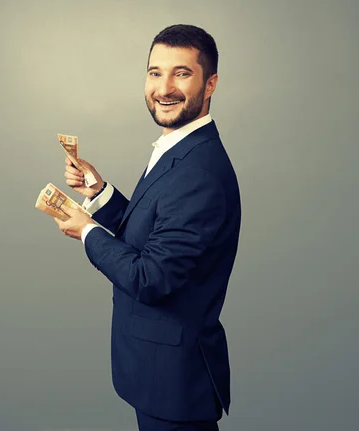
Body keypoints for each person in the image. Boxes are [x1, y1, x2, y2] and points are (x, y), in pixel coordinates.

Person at [53, 24, 241, 431]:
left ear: (211, 84)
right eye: (155, 72)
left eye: (182, 73)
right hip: (158, 373)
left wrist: (87, 231)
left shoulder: (199, 172)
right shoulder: (180, 147)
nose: (164, 87)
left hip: (174, 381)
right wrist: (98, 190)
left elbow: (150, 277)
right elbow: (150, 235)